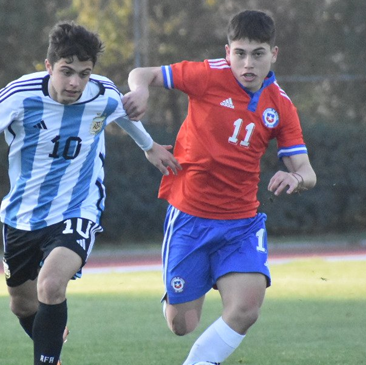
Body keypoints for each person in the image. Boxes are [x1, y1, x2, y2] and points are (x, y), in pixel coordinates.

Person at [0, 21, 180, 365]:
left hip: (78, 208)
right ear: (49, 66)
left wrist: (149, 146)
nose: (76, 82)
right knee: (22, 303)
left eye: (84, 73)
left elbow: (122, 113)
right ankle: (52, 344)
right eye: (67, 72)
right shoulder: (20, 95)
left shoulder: (102, 92)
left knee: (50, 285)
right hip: (22, 215)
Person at [123, 9, 317, 365]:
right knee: (182, 325)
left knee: (246, 308)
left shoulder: (282, 107)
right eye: (239, 53)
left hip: (241, 223)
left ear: (273, 54)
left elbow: (307, 172)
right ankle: (181, 290)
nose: (247, 63)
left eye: (258, 53)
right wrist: (140, 91)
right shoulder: (207, 75)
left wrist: (295, 177)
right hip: (190, 217)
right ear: (228, 52)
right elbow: (142, 73)